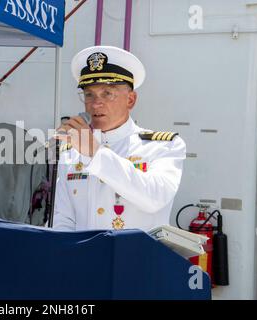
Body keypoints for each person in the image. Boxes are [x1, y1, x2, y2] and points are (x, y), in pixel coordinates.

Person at [53, 45, 186, 232]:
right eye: (89, 94)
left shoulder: (163, 146)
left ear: (130, 100)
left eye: (107, 93)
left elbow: (154, 199)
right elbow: (62, 220)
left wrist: (95, 153)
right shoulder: (71, 152)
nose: (96, 103)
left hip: (136, 259)